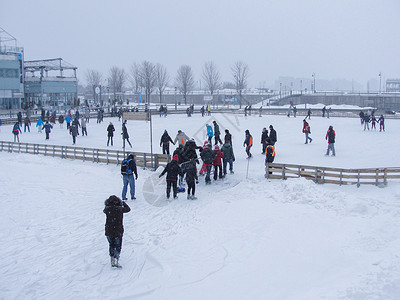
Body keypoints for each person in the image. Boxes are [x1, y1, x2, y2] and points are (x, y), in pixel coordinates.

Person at [103, 195, 131, 268]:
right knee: (118, 245)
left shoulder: (107, 209)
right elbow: (128, 209)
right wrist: (123, 203)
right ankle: (116, 258)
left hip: (108, 230)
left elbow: (104, 210)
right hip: (118, 230)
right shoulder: (120, 209)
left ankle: (112, 258)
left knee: (111, 244)